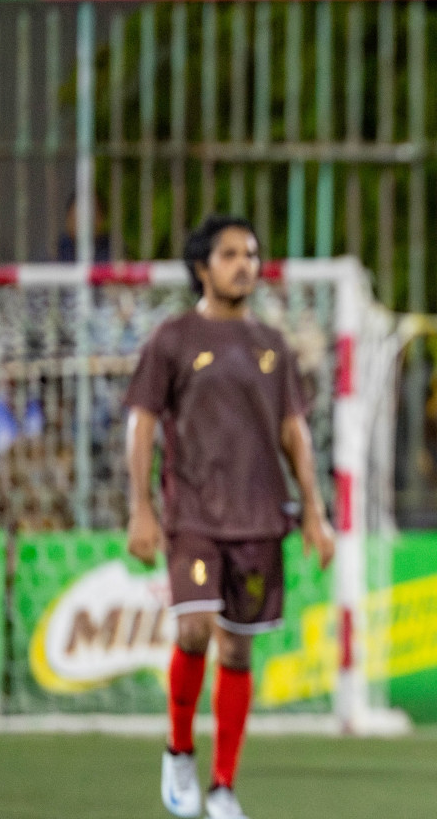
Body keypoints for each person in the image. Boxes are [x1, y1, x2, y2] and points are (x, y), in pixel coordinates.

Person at [124, 215, 334, 819]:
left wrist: (315, 516)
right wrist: (141, 508)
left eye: (252, 253)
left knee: (238, 653)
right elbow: (140, 422)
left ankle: (221, 786)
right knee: (193, 629)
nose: (246, 263)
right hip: (192, 515)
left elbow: (295, 433)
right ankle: (179, 749)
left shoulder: (272, 345)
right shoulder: (173, 337)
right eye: (231, 253)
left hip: (261, 517)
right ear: (202, 266)